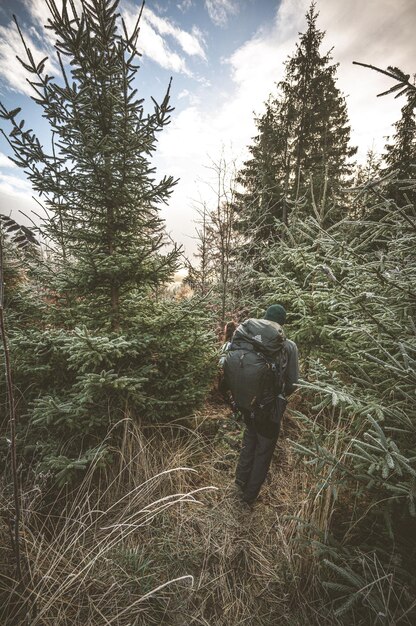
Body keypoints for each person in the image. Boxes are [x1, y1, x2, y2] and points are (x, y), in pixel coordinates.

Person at [232, 304, 299, 507]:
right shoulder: (288, 346)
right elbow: (293, 383)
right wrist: (277, 396)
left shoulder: (250, 339)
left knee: (249, 438)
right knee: (264, 450)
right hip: (270, 409)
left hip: (246, 402)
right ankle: (249, 497)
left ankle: (240, 482)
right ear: (282, 323)